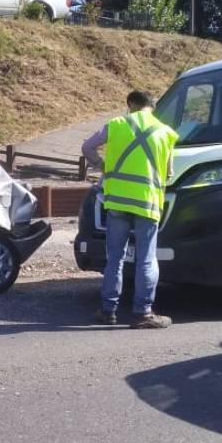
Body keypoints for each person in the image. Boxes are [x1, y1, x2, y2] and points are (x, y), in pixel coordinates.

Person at [81, 91, 179, 329]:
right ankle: (143, 313)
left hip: (117, 202)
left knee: (115, 257)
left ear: (131, 105)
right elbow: (168, 173)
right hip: (147, 203)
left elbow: (87, 147)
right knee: (146, 258)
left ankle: (108, 310)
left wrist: (103, 166)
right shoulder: (166, 133)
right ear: (151, 107)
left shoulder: (116, 124)